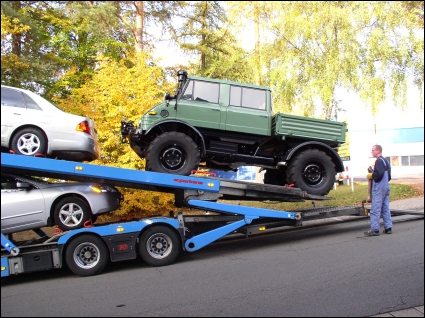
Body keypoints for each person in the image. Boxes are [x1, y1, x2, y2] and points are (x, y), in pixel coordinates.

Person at [364, 144, 392, 236]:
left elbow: (378, 174)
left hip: (379, 187)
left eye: (373, 150)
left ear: (378, 151)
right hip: (386, 186)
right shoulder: (386, 161)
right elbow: (388, 176)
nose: (371, 152)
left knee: (375, 209)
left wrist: (372, 175)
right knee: (385, 208)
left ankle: (375, 229)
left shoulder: (378, 161)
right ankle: (388, 228)